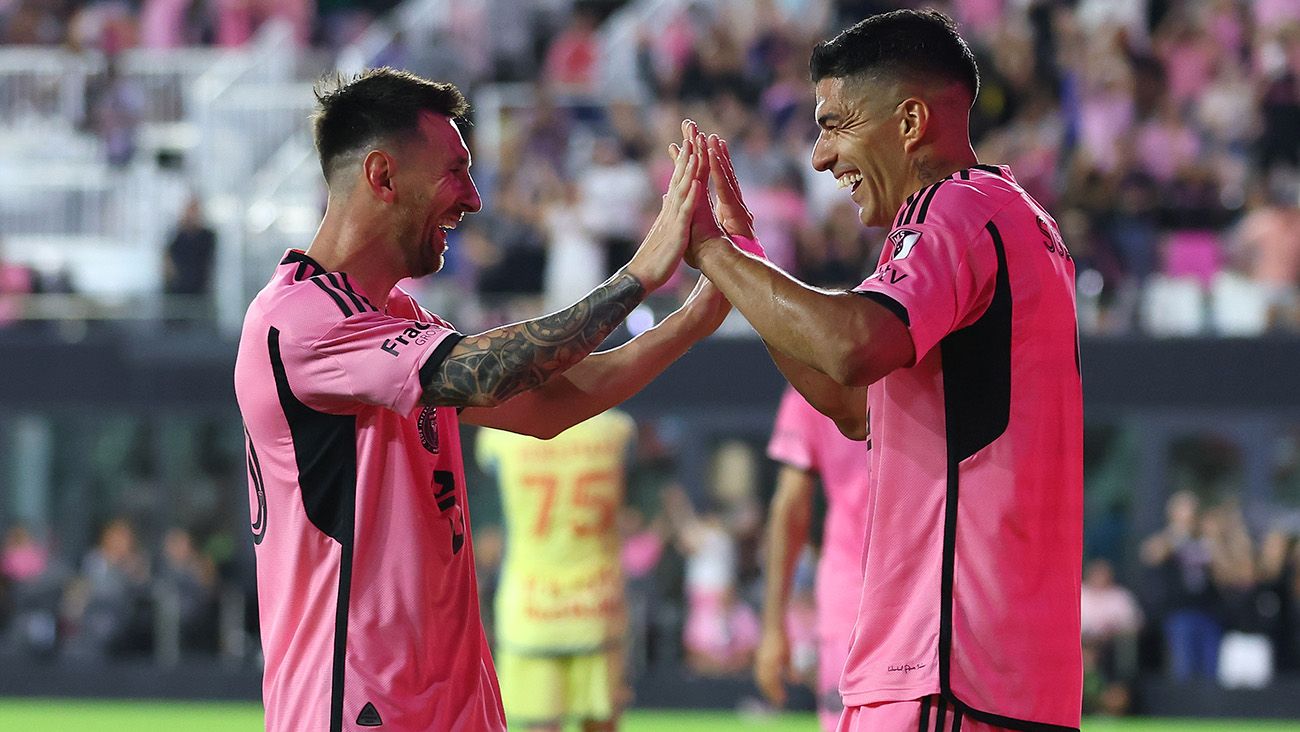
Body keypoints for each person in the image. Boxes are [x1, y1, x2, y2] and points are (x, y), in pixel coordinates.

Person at [233, 68, 725, 731]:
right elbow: (493, 372)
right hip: (355, 705)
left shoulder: (399, 317)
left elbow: (550, 404)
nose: (474, 199)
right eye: (456, 171)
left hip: (450, 703)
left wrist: (694, 316)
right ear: (383, 177)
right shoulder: (298, 319)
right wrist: (640, 273)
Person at [677, 9, 1084, 731]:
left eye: (834, 124)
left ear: (909, 120)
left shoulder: (950, 211)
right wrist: (748, 259)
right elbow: (853, 404)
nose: (819, 157)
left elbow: (854, 347)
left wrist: (709, 251)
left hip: (943, 663)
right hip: (1007, 671)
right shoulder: (1018, 218)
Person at [475, 409, 636, 732]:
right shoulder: (616, 428)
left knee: (542, 725)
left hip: (531, 605)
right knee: (602, 719)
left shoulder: (500, 434)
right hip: (597, 603)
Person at [755, 386, 870, 731]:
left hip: (849, 603)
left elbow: (789, 508)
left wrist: (774, 627)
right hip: (925, 600)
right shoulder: (927, 361)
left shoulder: (811, 382)